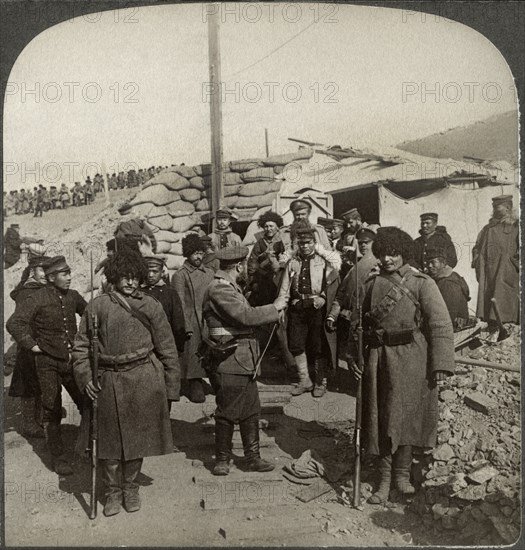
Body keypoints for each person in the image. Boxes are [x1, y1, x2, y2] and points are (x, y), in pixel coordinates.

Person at [72, 248, 180, 516]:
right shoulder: (98, 306)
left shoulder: (151, 305)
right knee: (107, 443)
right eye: (125, 277)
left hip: (143, 377)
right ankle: (112, 492)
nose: (130, 282)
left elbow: (167, 347)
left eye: (135, 277)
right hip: (107, 379)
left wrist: (170, 387)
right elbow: (81, 347)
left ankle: (130, 488)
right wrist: (85, 376)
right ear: (115, 277)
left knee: (136, 441)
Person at [354, 227, 454, 504]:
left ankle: (402, 475)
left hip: (413, 358)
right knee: (382, 416)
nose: (388, 259)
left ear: (404, 253)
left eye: (394, 254)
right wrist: (355, 356)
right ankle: (384, 480)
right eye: (384, 253)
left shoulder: (422, 283)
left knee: (408, 416)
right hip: (380, 357)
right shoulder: (370, 284)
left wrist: (441, 363)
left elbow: (439, 323)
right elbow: (356, 325)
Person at [202, 245, 286, 476]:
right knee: (228, 410)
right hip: (230, 358)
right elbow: (245, 316)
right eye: (244, 267)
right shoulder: (220, 289)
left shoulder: (229, 286)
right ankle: (222, 459)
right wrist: (274, 308)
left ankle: (252, 458)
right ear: (238, 266)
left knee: (250, 409)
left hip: (242, 359)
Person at [6, 256, 87, 475]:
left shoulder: (74, 296)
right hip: (46, 362)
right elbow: (14, 322)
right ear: (51, 277)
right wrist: (32, 345)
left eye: (69, 273)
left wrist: (83, 340)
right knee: (51, 407)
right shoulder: (37, 297)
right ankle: (58, 457)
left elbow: (89, 315)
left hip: (71, 360)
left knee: (86, 400)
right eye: (65, 274)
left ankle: (87, 444)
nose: (70, 278)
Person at [274, 223, 340, 398]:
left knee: (318, 345)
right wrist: (280, 307)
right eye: (301, 243)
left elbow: (333, 284)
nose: (305, 246)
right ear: (297, 244)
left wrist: (323, 297)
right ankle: (305, 380)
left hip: (316, 308)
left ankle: (320, 381)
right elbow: (284, 289)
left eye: (308, 242)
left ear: (314, 243)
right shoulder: (292, 263)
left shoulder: (323, 262)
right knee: (295, 344)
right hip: (297, 307)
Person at [8, 254, 50, 438]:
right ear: (33, 271)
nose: (45, 275)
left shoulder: (44, 289)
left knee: (40, 384)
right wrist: (30, 342)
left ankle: (38, 419)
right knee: (29, 386)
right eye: (42, 270)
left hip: (42, 344)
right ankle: (29, 423)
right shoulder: (27, 292)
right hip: (30, 346)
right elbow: (18, 323)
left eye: (48, 271)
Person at [326, 225, 380, 365]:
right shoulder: (354, 268)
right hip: (349, 320)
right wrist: (333, 315)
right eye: (360, 242)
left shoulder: (379, 266)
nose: (362, 245)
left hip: (367, 321)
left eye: (366, 243)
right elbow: (341, 294)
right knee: (349, 359)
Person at [171, 234, 215, 403]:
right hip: (191, 319)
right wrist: (186, 326)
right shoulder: (180, 275)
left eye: (200, 253)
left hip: (208, 318)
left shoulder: (209, 273)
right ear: (187, 254)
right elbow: (180, 303)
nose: (198, 257)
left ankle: (213, 381)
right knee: (193, 353)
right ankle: (195, 383)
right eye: (194, 253)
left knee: (211, 350)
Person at [472, 195, 519, 325]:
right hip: (488, 272)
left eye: (497, 206)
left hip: (506, 271)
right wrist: (478, 260)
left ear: (508, 207)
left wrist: (512, 262)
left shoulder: (516, 226)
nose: (494, 209)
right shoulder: (488, 228)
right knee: (489, 300)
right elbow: (477, 246)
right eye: (493, 206)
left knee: (505, 300)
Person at [142, 254, 185, 353]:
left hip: (165, 344)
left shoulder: (170, 293)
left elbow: (178, 322)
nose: (150, 275)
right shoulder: (138, 292)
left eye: (155, 272)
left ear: (162, 273)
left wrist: (178, 348)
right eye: (148, 271)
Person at [426, 248, 470, 330]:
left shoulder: (449, 283)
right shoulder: (442, 278)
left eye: (433, 262)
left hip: (453, 329)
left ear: (443, 263)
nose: (429, 266)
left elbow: (449, 315)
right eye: (428, 263)